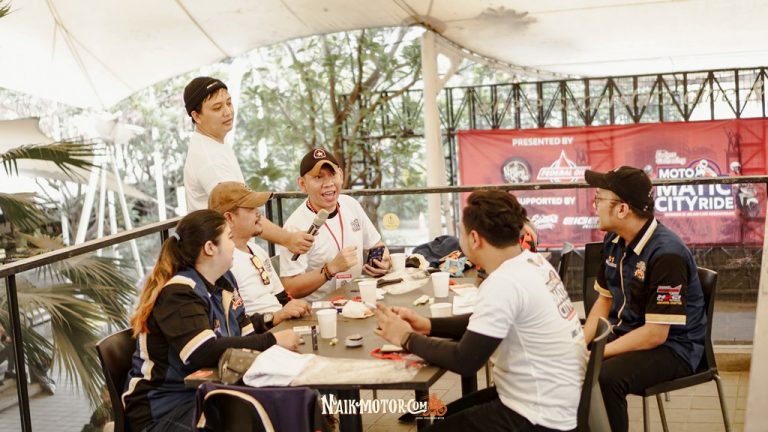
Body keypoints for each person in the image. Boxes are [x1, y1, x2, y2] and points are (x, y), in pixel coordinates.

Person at [375, 190, 586, 432]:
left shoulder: (504, 282)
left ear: (474, 238)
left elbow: (465, 360)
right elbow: (483, 324)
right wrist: (429, 325)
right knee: (444, 415)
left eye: (461, 233)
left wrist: (405, 337)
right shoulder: (533, 262)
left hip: (540, 417)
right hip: (554, 399)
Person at [123, 210, 301, 432]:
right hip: (164, 409)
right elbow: (202, 351)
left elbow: (244, 334)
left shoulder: (224, 280)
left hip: (206, 391)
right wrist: (273, 340)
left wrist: (272, 324)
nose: (233, 244)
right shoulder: (178, 293)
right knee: (258, 415)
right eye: (229, 238)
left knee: (285, 400)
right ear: (210, 248)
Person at [582, 166, 707, 432]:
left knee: (605, 378)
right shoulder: (614, 240)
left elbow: (655, 334)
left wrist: (594, 353)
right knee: (569, 364)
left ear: (622, 209)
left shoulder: (667, 255)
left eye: (599, 199)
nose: (595, 207)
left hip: (674, 348)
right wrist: (579, 344)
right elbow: (604, 301)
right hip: (630, 333)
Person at [181, 76, 313, 255]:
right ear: (196, 116)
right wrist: (287, 239)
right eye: (217, 108)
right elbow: (240, 211)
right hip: (221, 253)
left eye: (229, 103)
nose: (227, 111)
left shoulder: (214, 140)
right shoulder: (210, 160)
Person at [278, 148, 391, 301]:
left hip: (356, 299)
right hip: (317, 309)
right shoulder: (295, 227)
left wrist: (384, 261)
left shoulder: (350, 204)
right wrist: (330, 269)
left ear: (341, 175)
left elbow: (376, 244)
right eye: (318, 177)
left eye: (332, 175)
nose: (328, 184)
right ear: (303, 184)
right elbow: (291, 288)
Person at [209, 181, 311, 321]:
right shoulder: (224, 263)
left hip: (283, 323)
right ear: (229, 218)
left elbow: (281, 297)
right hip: (264, 331)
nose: (258, 213)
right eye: (251, 208)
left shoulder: (257, 249)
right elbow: (234, 324)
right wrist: (277, 316)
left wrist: (295, 308)